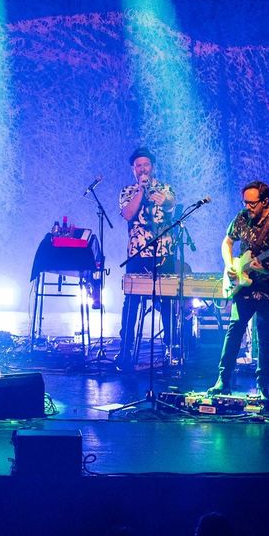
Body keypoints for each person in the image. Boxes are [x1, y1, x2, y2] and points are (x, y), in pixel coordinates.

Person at [213, 180, 269, 402]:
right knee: (234, 330)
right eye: (245, 202)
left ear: (265, 201)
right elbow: (227, 242)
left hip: (268, 288)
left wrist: (266, 269)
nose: (248, 207)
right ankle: (223, 380)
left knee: (265, 336)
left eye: (252, 203)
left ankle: (263, 387)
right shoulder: (242, 217)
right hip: (243, 284)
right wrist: (230, 265)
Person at [117, 149, 176, 371]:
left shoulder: (165, 188)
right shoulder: (128, 191)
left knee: (168, 301)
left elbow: (170, 204)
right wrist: (141, 191)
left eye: (146, 165)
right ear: (133, 169)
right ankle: (126, 349)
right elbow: (127, 214)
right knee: (131, 302)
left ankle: (171, 349)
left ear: (152, 167)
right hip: (137, 254)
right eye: (138, 166)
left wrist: (165, 200)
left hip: (163, 253)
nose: (143, 169)